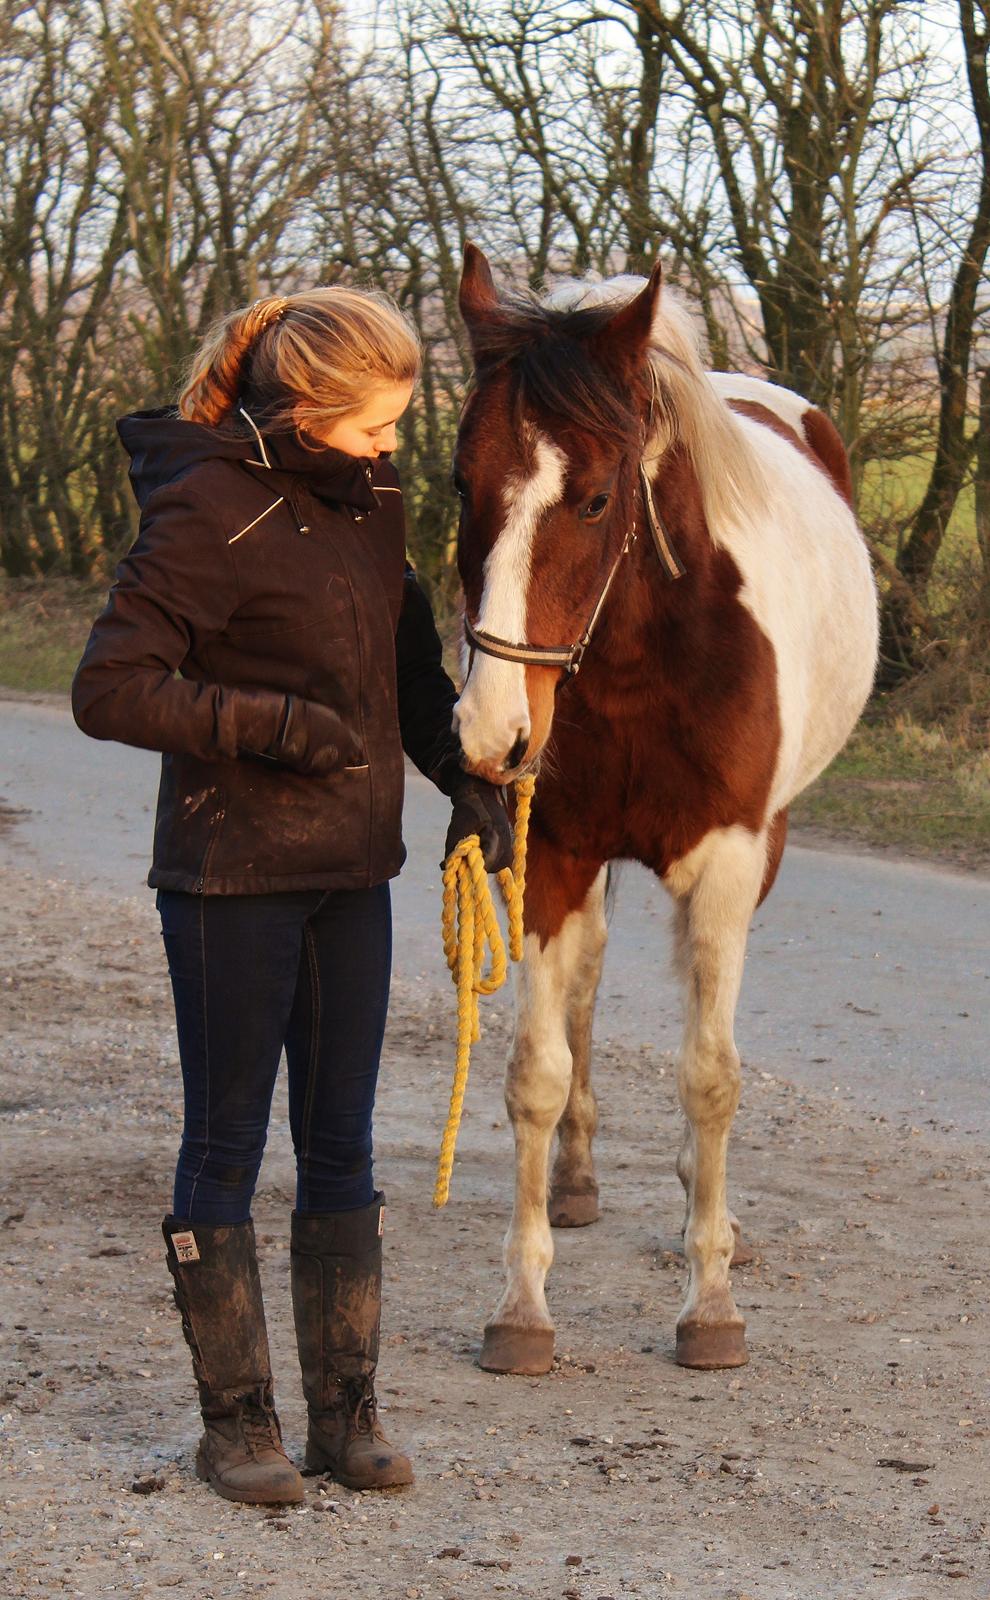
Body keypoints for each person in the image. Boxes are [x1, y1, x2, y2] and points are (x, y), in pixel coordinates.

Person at [71, 287, 512, 1506]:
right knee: (226, 1141)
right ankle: (236, 1425)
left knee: (343, 1139)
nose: (391, 447)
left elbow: (406, 668)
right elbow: (109, 687)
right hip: (228, 873)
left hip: (350, 872)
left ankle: (345, 1415)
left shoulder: (371, 506)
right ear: (310, 408)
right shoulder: (205, 506)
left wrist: (462, 783)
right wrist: (268, 726)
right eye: (376, 425)